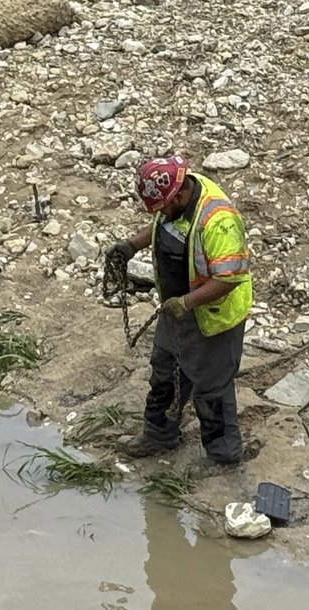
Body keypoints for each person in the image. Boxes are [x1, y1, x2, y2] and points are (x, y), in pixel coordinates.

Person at [105, 154, 253, 465]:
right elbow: (161, 224)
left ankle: (223, 457)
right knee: (164, 369)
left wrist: (186, 303)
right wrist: (132, 245)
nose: (159, 213)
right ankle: (159, 435)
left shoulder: (219, 221)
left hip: (214, 317)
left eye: (163, 207)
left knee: (212, 389)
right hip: (178, 307)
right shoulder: (176, 197)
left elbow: (230, 278)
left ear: (180, 195)